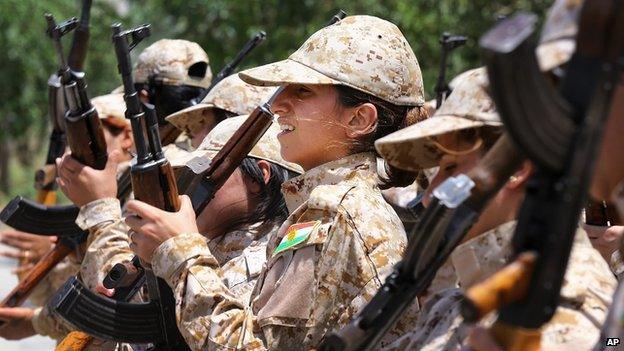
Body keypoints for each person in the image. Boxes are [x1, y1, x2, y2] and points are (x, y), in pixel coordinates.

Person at [123, 15, 426, 350]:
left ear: (358, 119)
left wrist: (183, 254)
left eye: (303, 91)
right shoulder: (323, 209)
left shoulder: (339, 213)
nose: (279, 104)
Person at [376, 67, 616, 350]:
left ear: (519, 170)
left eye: (451, 168)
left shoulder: (563, 312)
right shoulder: (452, 306)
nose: (429, 198)